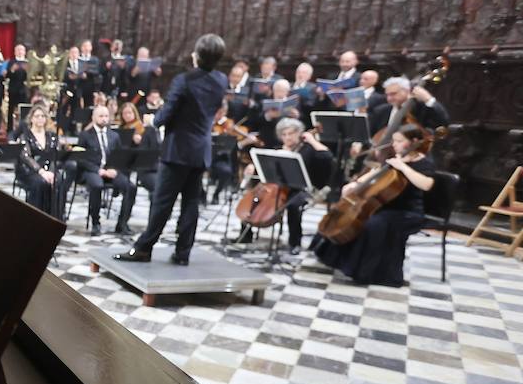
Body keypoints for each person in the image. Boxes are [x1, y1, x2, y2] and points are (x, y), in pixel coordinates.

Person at [116, 33, 229, 266]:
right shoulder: (221, 80)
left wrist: (152, 120)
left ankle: (143, 248)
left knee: (162, 202)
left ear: (197, 55)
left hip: (178, 150)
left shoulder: (184, 80)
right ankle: (182, 254)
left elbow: (165, 115)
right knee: (190, 203)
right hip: (201, 149)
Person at [311, 123, 435, 286]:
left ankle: (367, 273)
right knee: (349, 216)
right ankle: (337, 261)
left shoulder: (424, 162)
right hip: (385, 206)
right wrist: (355, 184)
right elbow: (376, 173)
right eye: (394, 141)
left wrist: (403, 167)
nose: (394, 145)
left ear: (414, 141)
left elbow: (427, 184)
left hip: (407, 211)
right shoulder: (395, 158)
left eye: (399, 141)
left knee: (372, 224)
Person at [234, 118, 333, 253]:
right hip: (276, 187)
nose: (287, 137)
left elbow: (327, 157)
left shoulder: (308, 149)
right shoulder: (278, 148)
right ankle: (245, 235)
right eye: (284, 134)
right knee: (253, 197)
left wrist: (312, 140)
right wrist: (254, 166)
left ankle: (294, 243)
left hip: (301, 188)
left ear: (299, 133)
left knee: (293, 205)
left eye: (291, 134)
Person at [78, 105, 136, 236]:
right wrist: (98, 170)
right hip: (93, 170)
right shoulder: (85, 135)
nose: (104, 119)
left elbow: (119, 156)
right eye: (101, 116)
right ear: (93, 118)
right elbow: (80, 158)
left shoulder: (114, 136)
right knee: (97, 185)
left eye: (106, 116)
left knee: (130, 187)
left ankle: (122, 224)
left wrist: (114, 169)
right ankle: (95, 223)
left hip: (111, 170)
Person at [14, 107, 67, 216]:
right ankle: (37, 216)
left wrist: (51, 172)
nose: (40, 119)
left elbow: (55, 156)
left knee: (59, 180)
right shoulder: (25, 136)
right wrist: (41, 172)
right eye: (37, 116)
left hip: (49, 170)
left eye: (42, 116)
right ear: (31, 119)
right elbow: (26, 157)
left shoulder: (52, 136)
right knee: (40, 182)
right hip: (30, 171)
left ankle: (56, 216)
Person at [117, 102, 160, 196]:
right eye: (125, 113)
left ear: (134, 113)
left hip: (139, 156)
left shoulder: (142, 127)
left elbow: (149, 146)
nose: (127, 115)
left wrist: (140, 140)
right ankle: (122, 187)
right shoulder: (121, 128)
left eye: (130, 113)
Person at [6, 44, 31, 133]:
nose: (20, 52)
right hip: (13, 89)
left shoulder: (28, 62)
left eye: (22, 50)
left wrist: (28, 71)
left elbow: (31, 77)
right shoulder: (11, 62)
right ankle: (9, 129)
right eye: (18, 50)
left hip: (23, 90)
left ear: (24, 52)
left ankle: (23, 129)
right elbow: (7, 76)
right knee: (11, 109)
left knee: (24, 110)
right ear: (15, 52)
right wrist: (12, 70)